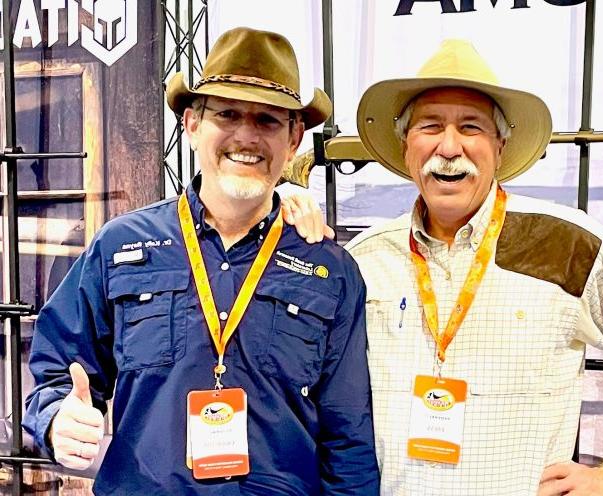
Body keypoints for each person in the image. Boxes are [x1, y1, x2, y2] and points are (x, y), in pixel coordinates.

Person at [23, 27, 380, 495]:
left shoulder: (329, 269)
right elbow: (57, 373)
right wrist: (55, 420)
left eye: (269, 121)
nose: (246, 136)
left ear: (294, 140)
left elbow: (348, 434)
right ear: (192, 124)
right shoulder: (119, 246)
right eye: (227, 114)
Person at [343, 39, 603, 495]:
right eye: (430, 126)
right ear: (406, 142)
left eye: (470, 127)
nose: (448, 147)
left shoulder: (566, 243)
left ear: (499, 143)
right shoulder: (366, 256)